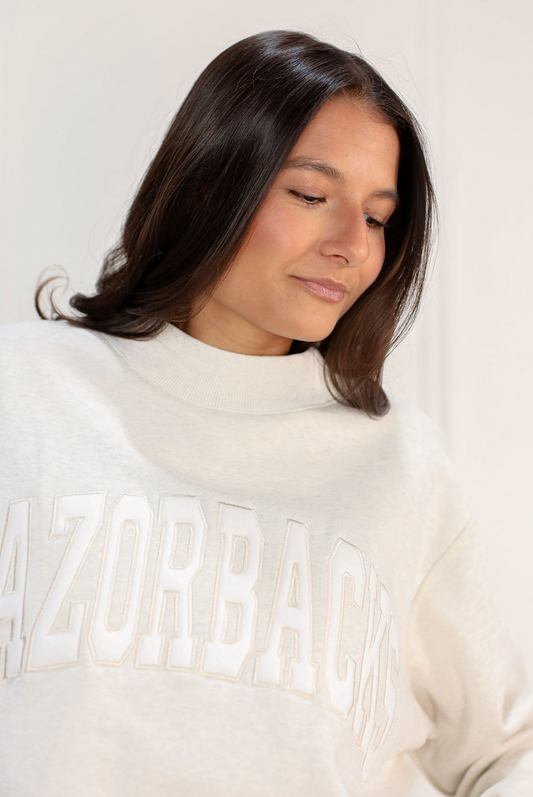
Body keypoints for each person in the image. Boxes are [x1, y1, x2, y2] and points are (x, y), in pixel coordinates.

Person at [0, 29, 532, 797]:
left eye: (377, 217)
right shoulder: (24, 392)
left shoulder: (399, 469)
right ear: (209, 183)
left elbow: (504, 751)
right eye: (311, 196)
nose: (351, 245)